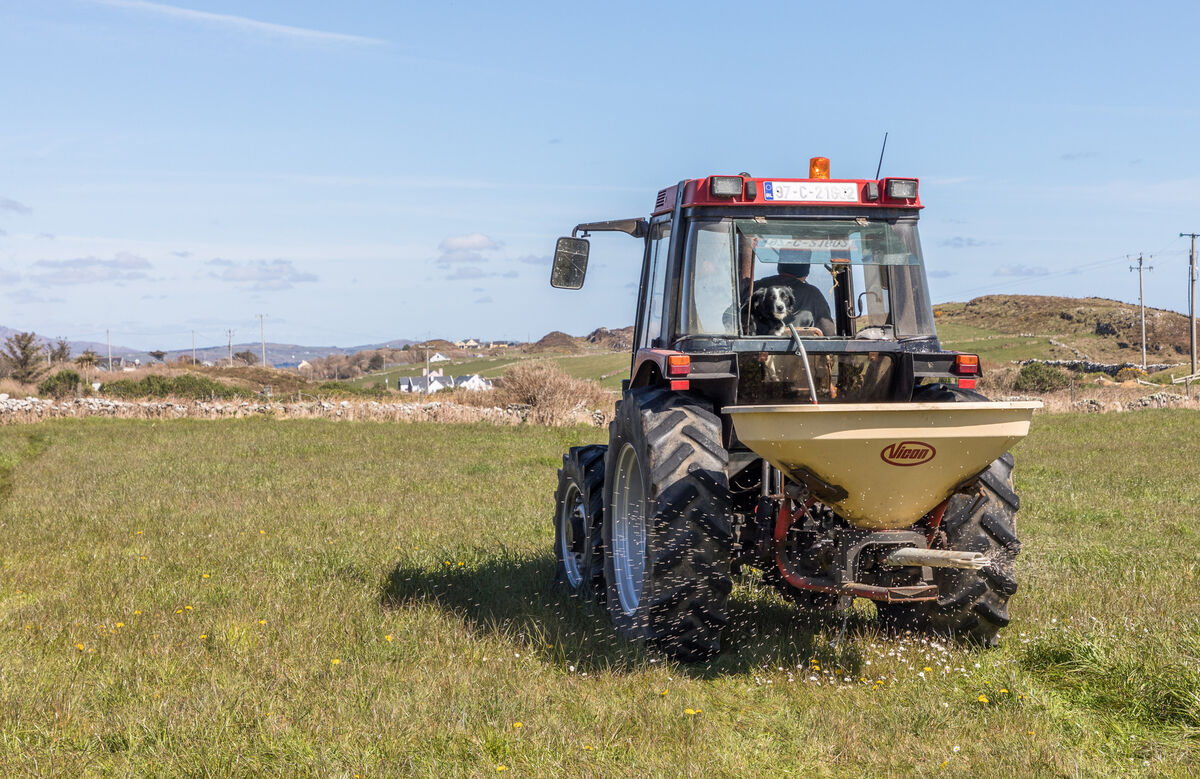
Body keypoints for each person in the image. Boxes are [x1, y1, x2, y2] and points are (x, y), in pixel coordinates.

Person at [754, 250, 836, 335]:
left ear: (780, 264)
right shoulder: (812, 294)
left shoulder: (755, 287)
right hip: (799, 347)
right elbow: (828, 333)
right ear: (806, 270)